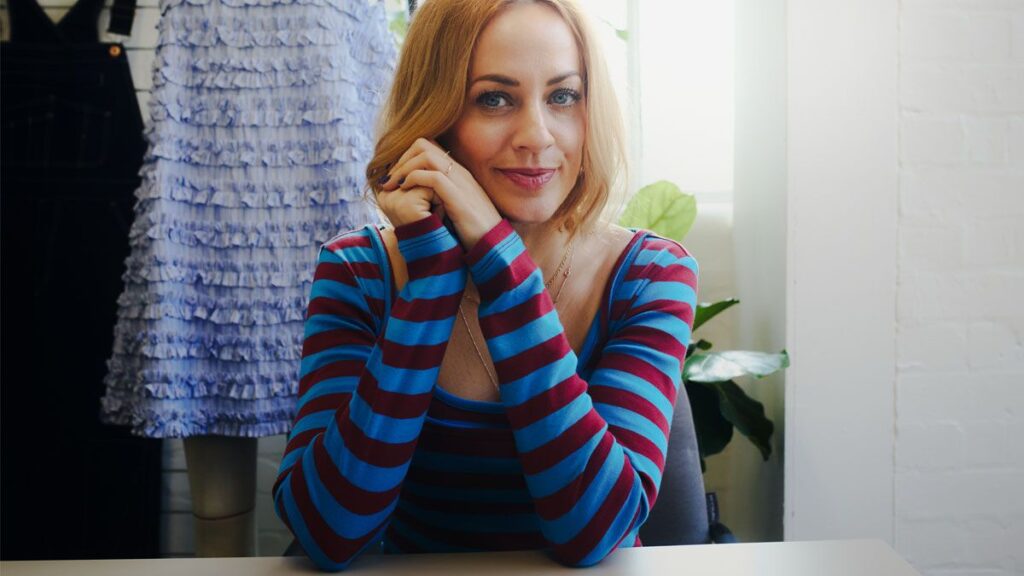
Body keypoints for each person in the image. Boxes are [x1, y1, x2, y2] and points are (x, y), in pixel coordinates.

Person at [272, 0, 701, 570]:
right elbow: (328, 531)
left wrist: (502, 268)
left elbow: (595, 530)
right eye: (494, 99)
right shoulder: (359, 272)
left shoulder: (650, 277)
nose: (536, 136)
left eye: (563, 96)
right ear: (437, 119)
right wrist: (431, 283)